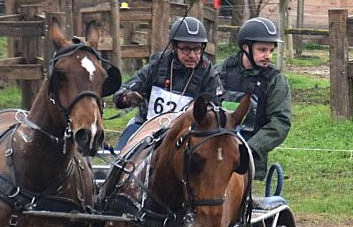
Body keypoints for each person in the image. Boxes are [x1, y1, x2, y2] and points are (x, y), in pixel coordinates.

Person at [113, 16, 223, 151]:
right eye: (186, 49)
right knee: (120, 156)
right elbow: (121, 94)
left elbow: (217, 108)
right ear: (173, 47)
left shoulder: (208, 74)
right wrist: (127, 97)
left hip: (186, 134)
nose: (192, 55)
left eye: (197, 49)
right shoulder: (158, 64)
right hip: (145, 127)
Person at [218, 17, 292, 180]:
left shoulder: (275, 80)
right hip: (215, 156)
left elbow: (280, 122)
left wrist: (249, 149)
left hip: (248, 162)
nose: (268, 56)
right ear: (246, 47)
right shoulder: (220, 72)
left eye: (271, 50)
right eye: (262, 50)